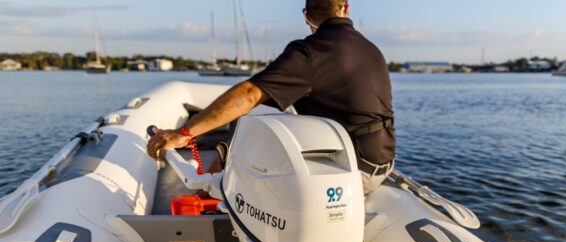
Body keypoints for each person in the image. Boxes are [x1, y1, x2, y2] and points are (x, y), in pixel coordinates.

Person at [147, 0, 395, 195]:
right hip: (383, 161)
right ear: (345, 9)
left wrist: (185, 133)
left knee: (252, 125)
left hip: (352, 170)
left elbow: (248, 94)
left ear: (306, 15)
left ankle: (209, 194)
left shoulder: (310, 52)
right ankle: (214, 182)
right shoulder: (371, 49)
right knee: (262, 116)